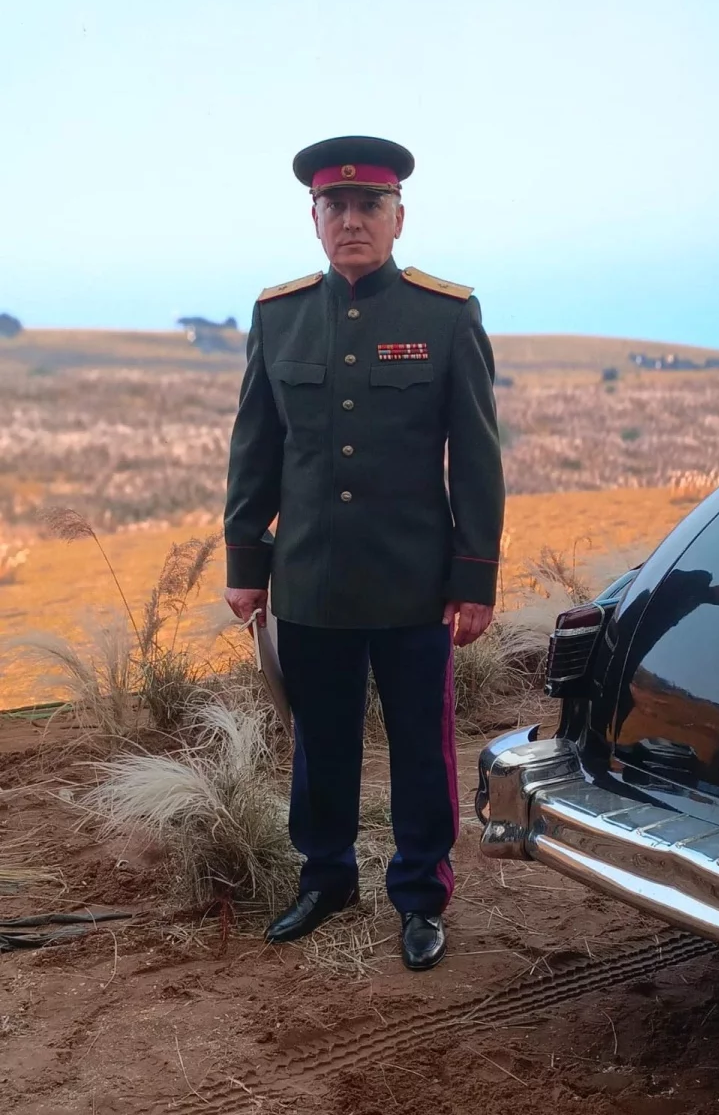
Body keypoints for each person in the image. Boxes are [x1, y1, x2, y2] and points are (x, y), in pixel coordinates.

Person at [222, 135, 505, 971]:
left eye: (369, 205)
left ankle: (420, 894)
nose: (352, 220)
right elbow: (256, 448)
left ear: (398, 218)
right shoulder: (279, 316)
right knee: (322, 742)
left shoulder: (445, 315)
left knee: (420, 745)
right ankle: (326, 877)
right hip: (310, 575)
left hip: (414, 580)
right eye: (335, 206)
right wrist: (246, 565)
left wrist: (475, 577)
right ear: (314, 219)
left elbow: (476, 456)